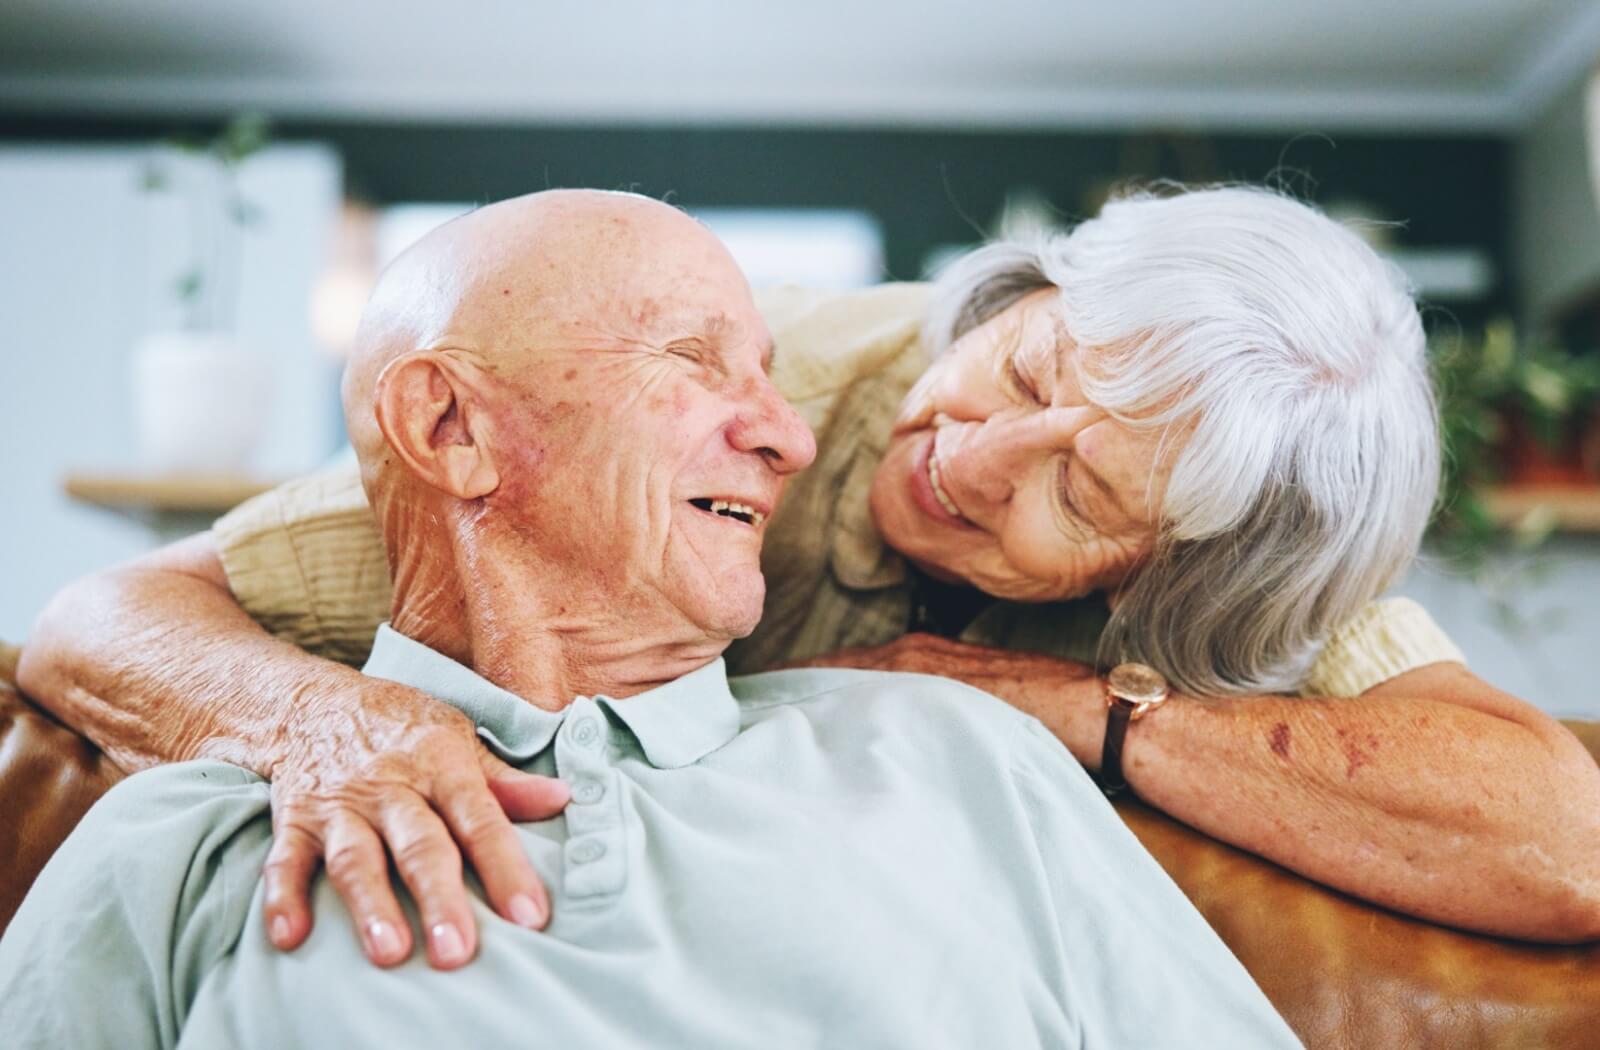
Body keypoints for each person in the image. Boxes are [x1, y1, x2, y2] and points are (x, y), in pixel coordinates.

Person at [20, 188, 1600, 966]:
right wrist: (318, 722)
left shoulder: (1244, 554)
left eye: (1082, 486)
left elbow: (1561, 838)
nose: (972, 455)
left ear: (1168, 570)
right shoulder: (720, 416)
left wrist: (1042, 701)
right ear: (1024, 289)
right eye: (1026, 359)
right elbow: (102, 617)